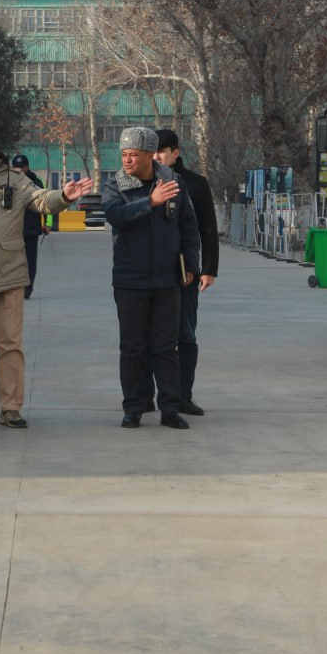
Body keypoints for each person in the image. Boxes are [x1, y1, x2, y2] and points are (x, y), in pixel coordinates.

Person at [0, 123, 93, 429]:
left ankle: (10, 408)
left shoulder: (15, 179)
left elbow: (41, 200)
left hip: (9, 277)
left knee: (10, 345)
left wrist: (64, 196)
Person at [101, 126, 201, 430]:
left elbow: (188, 226)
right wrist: (150, 202)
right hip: (130, 281)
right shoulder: (116, 185)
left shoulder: (173, 183)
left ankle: (170, 408)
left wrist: (191, 265)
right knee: (132, 347)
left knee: (165, 347)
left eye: (133, 154)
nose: (127, 160)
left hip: (167, 281)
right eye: (124, 154)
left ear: (149, 155)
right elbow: (115, 216)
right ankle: (134, 407)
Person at [154, 129, 219, 416]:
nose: (156, 157)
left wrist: (208, 269)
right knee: (151, 337)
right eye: (152, 152)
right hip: (150, 271)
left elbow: (208, 229)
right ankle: (149, 395)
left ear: (175, 153)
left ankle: (183, 395)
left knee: (186, 334)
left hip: (185, 272)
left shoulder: (194, 184)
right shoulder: (142, 183)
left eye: (161, 152)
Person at [10, 154, 47, 299]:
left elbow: (47, 202)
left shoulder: (37, 182)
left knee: (30, 262)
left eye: (22, 167)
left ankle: (28, 289)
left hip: (31, 228)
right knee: (13, 262)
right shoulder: (8, 181)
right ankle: (15, 288)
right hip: (13, 228)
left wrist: (48, 224)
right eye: (16, 167)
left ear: (27, 167)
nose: (19, 169)